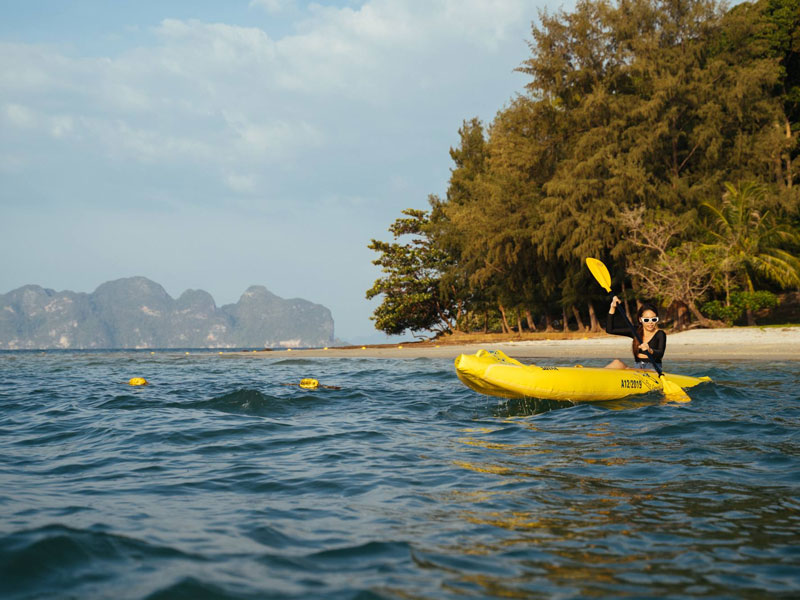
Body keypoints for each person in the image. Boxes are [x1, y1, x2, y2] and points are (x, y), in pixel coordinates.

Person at [604, 296, 666, 370]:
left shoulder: (660, 334)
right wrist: (613, 307)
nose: (651, 323)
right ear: (640, 320)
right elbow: (610, 330)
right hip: (638, 369)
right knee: (616, 363)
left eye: (654, 319)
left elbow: (660, 354)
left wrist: (650, 350)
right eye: (646, 320)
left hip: (653, 370)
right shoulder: (635, 331)